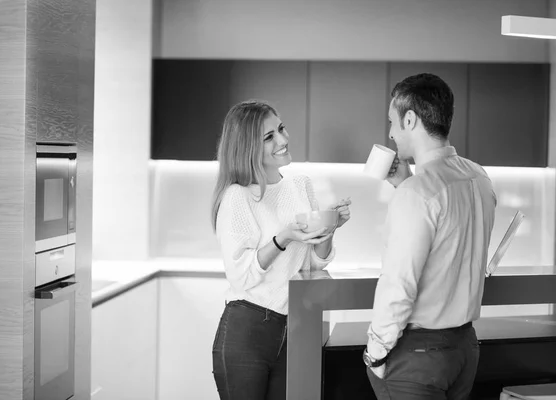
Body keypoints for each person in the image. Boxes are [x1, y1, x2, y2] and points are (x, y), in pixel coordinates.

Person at [363, 73, 497, 399]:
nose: (392, 133)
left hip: (419, 357)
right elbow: (449, 245)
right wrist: (405, 182)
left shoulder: (416, 193)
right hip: (464, 348)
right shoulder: (478, 176)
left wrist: (376, 353)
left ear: (410, 119)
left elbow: (399, 284)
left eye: (393, 122)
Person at [210, 100, 351, 400]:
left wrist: (329, 229)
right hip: (247, 331)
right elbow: (242, 277)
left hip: (294, 327)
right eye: (269, 137)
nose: (283, 140)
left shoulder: (300, 185)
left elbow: (313, 266)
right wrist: (282, 238)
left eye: (281, 129)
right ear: (248, 146)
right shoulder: (237, 197)